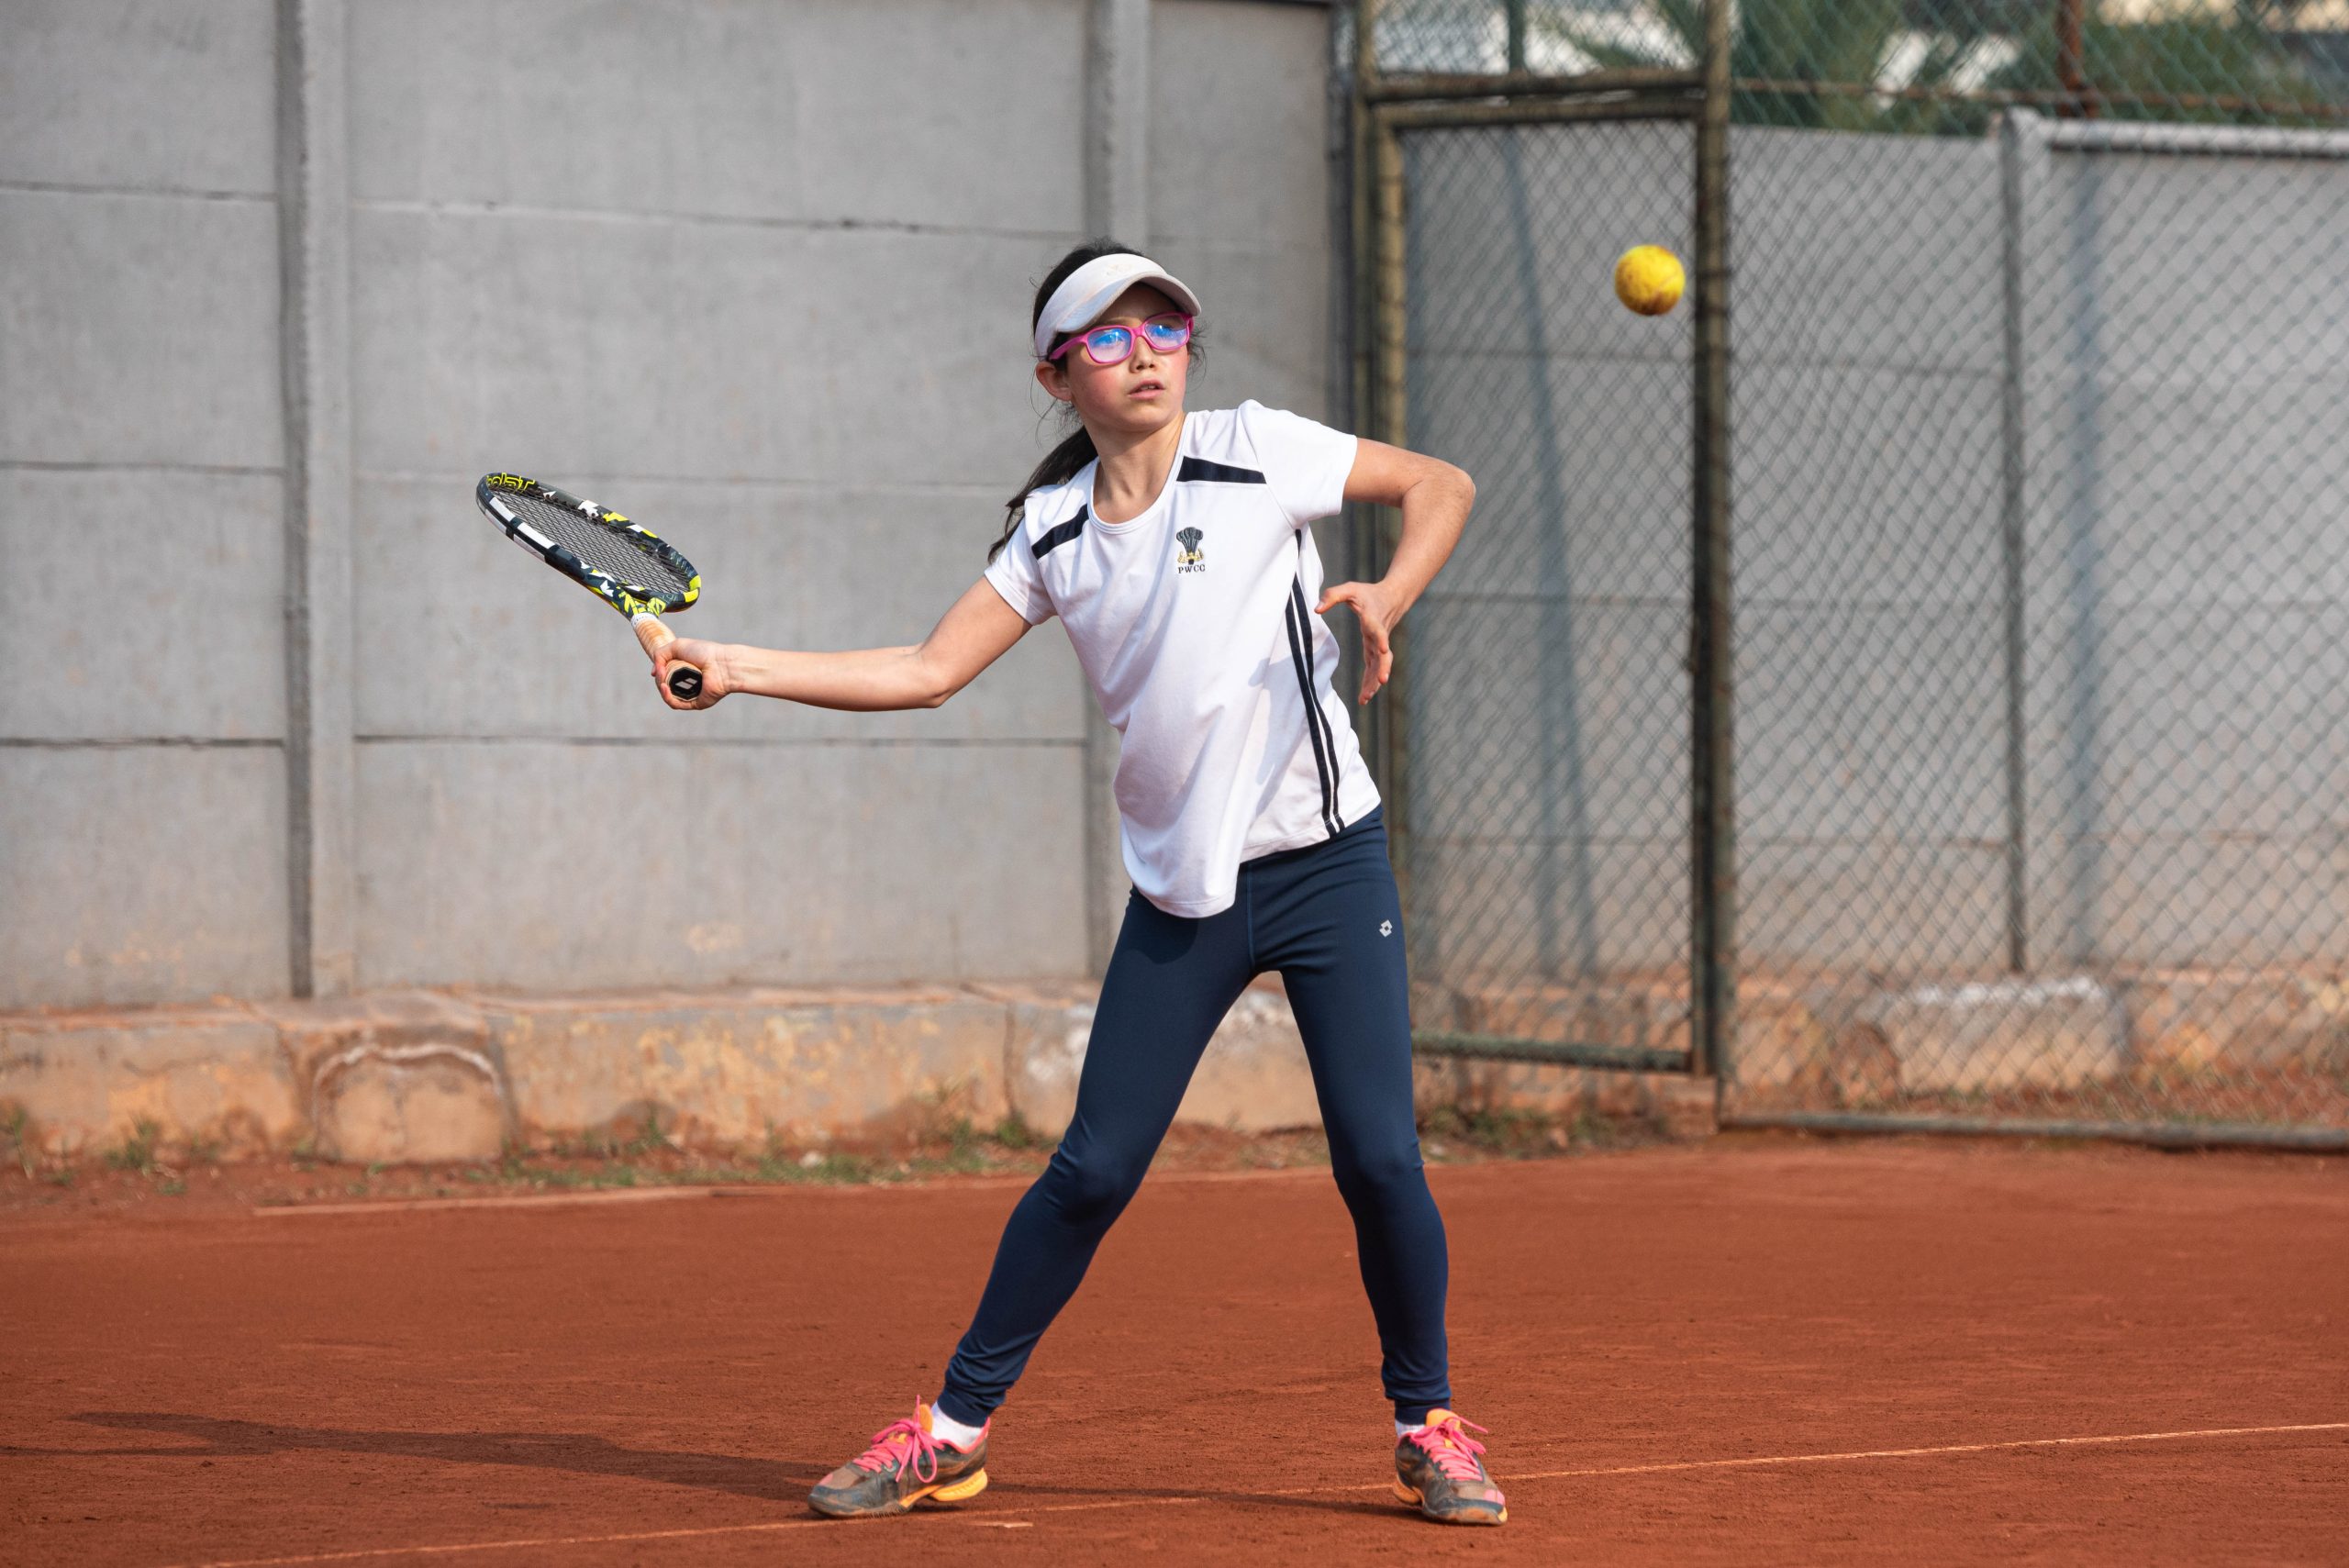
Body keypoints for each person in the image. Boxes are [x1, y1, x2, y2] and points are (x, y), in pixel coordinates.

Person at [646, 241, 1503, 1528]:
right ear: (1058, 375)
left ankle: (1427, 1426)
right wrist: (737, 665)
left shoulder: (1257, 449)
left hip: (1327, 863)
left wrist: (1390, 587)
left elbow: (1441, 482)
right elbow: (927, 669)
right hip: (1184, 895)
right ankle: (950, 1434)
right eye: (1108, 336)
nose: (1145, 353)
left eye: (1165, 328)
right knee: (1094, 1171)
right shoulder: (1053, 534)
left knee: (1381, 1158)